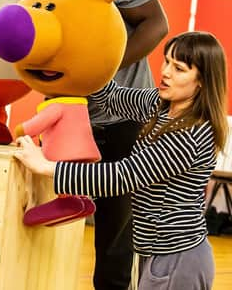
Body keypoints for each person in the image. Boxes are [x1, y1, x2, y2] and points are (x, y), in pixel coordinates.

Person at [15, 31, 228, 290]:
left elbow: (122, 176)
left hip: (176, 258)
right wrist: (82, 60)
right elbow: (111, 97)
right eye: (167, 61)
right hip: (153, 252)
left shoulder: (192, 133)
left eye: (179, 68)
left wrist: (47, 166)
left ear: (202, 82)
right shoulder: (160, 103)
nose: (166, 72)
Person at [30, 0, 169, 290]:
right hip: (69, 116)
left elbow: (158, 24)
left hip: (124, 117)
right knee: (51, 210)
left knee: (115, 226)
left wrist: (102, 68)